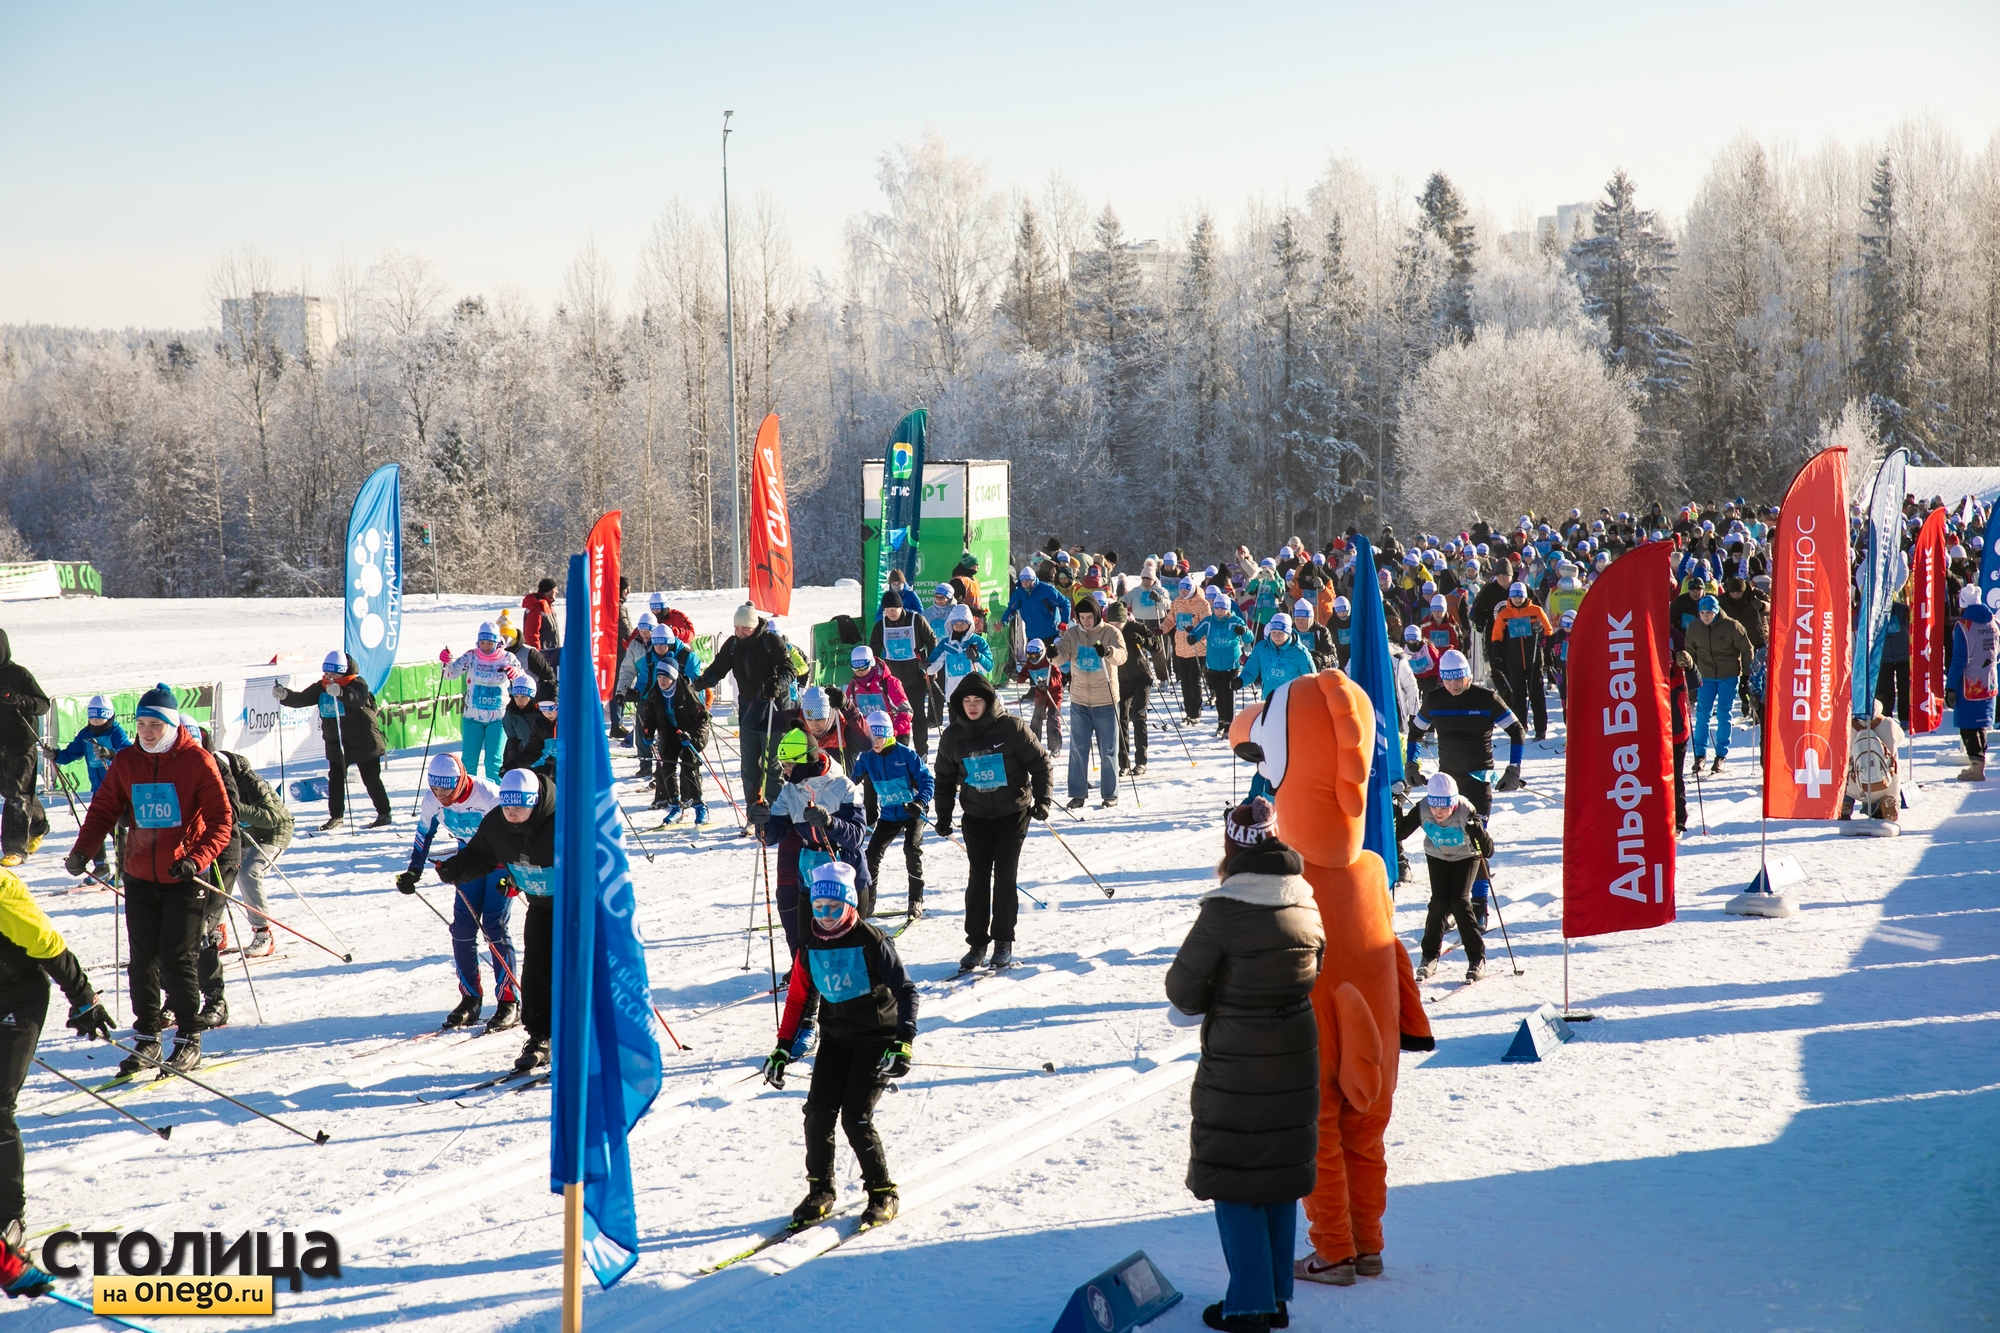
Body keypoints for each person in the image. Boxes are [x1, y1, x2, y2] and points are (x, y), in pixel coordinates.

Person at [1164, 798, 1322, 1333]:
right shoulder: (1304, 899)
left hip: (1239, 1059)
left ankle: (1248, 1305)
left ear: (1231, 846)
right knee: (1276, 1174)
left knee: (1235, 1178)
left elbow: (1183, 989)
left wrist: (1222, 995)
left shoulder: (1226, 909)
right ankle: (1275, 1297)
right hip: (1296, 1051)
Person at [63, 685, 233, 1076]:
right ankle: (147, 1037)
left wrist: (195, 859)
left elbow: (222, 823)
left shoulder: (197, 761)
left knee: (177, 958)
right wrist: (83, 850)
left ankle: (189, 1036)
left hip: (184, 877)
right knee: (141, 963)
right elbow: (104, 809)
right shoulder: (127, 761)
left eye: (155, 724)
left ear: (171, 725)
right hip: (139, 874)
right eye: (141, 723)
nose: (147, 731)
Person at [760, 861, 918, 1234]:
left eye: (833, 907)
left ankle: (882, 1192)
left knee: (855, 1117)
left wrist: (903, 1042)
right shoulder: (811, 945)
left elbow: (907, 991)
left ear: (849, 904)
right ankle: (820, 1191)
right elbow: (798, 998)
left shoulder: (873, 940)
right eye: (818, 908)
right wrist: (782, 1047)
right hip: (836, 1039)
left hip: (876, 1038)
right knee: (817, 1113)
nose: (826, 916)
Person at [0, 864, 113, 1279]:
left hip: (16, 995)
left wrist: (82, 997)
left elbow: (46, 943)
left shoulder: (1, 887)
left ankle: (8, 1217)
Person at [932, 674, 1052, 972]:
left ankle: (1002, 941)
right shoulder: (952, 737)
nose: (972, 706)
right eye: (966, 701)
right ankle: (977, 943)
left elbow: (1040, 764)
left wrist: (1043, 800)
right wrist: (943, 816)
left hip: (1012, 814)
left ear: (988, 702)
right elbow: (944, 780)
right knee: (978, 879)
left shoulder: (1011, 728)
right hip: (975, 817)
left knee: (1005, 877)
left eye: (978, 701)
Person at [436, 768, 551, 1073]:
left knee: (577, 968)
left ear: (534, 803)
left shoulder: (561, 821)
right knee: (537, 968)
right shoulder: (497, 823)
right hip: (541, 903)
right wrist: (456, 869)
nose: (512, 814)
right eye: (507, 807)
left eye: (519, 808)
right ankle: (541, 1036)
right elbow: (480, 856)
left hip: (579, 904)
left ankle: (597, 1033)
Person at [401, 753, 512, 1030]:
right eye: (434, 788)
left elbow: (513, 833)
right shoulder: (432, 800)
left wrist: (513, 873)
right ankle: (470, 998)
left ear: (461, 781)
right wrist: (414, 870)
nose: (440, 795)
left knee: (494, 926)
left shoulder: (488, 794)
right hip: (469, 858)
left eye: (446, 789)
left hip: (499, 860)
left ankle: (509, 1000)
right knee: (462, 929)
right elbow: (423, 834)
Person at [761, 728, 870, 956]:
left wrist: (830, 823)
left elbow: (857, 836)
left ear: (805, 761)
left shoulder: (844, 786)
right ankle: (808, 984)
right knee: (808, 942)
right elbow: (772, 836)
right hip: (809, 877)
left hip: (847, 876)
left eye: (789, 765)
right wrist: (761, 820)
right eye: (783, 765)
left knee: (849, 945)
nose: (785, 772)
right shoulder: (790, 791)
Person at [695, 604, 798, 822]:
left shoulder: (771, 642)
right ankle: (755, 814)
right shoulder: (733, 645)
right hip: (749, 710)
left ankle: (779, 814)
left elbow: (790, 670)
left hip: (774, 709)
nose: (740, 633)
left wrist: (777, 685)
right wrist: (704, 681)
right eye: (737, 628)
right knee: (750, 767)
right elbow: (718, 668)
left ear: (754, 626)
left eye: (745, 629)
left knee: (772, 766)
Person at [1396, 773, 1494, 982]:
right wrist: (1396, 807)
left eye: (1444, 807)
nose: (1438, 813)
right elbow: (1401, 833)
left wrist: (1477, 830)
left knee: (1459, 902)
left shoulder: (1466, 811)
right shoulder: (1423, 808)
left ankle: (1477, 958)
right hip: (1438, 855)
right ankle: (1429, 956)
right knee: (1439, 903)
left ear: (1454, 804)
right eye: (1435, 807)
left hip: (1465, 857)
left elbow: (1488, 850)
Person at [207, 734, 292, 960]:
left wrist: (237, 809)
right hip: (238, 835)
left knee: (248, 872)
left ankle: (264, 933)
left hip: (271, 833)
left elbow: (271, 818)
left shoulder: (249, 780)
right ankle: (216, 930)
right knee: (211, 871)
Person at [852, 710, 933, 920]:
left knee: (911, 848)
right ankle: (867, 902)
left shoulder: (905, 754)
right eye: (872, 737)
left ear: (890, 735)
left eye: (880, 737)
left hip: (913, 812)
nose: (876, 742)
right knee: (872, 854)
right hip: (889, 813)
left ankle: (915, 899)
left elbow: (927, 781)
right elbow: (850, 781)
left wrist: (920, 801)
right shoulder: (868, 757)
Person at [1054, 597, 1128, 810]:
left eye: (1089, 617)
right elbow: (1061, 654)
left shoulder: (1110, 633)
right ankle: (1077, 794)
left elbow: (1122, 656)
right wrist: (1052, 655)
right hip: (1079, 701)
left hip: (1105, 700)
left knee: (1108, 750)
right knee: (1078, 748)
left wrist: (1108, 652)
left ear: (1097, 615)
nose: (1086, 622)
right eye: (1082, 617)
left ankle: (1110, 794)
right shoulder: (1072, 633)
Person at [1684, 594, 1755, 775]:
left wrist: (1746, 675)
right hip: (1705, 676)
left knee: (1724, 713)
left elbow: (1747, 650)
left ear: (1716, 612)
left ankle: (1721, 754)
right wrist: (1689, 671)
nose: (1705, 616)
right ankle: (1700, 754)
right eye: (1702, 612)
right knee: (1702, 714)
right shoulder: (1694, 628)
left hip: (1728, 675)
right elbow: (1690, 652)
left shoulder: (1732, 626)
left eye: (1709, 612)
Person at [444, 625, 524, 783]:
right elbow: (449, 674)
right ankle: (466, 797)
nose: (486, 646)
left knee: (493, 762)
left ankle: (496, 800)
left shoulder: (508, 658)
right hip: (472, 718)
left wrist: (516, 673)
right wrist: (446, 661)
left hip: (498, 719)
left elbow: (523, 678)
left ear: (497, 642)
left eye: (489, 643)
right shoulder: (471, 656)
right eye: (482, 642)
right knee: (468, 761)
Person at [0, 632, 50, 869]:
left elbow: (43, 703)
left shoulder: (18, 673)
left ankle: (14, 849)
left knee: (17, 794)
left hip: (22, 743)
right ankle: (38, 824)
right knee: (11, 791)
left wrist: (19, 700)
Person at [868, 596, 938, 757]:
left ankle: (922, 751)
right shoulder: (881, 625)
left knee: (918, 715)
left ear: (901, 608)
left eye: (894, 610)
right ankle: (896, 751)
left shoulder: (917, 620)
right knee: (895, 717)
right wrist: (874, 672)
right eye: (887, 611)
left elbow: (931, 640)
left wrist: (931, 663)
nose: (891, 614)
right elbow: (873, 650)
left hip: (915, 676)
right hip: (891, 681)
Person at [643, 659, 710, 823]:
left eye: (666, 677)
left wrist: (692, 736)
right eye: (659, 677)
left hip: (690, 732)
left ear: (673, 677)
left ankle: (700, 806)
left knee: (688, 766)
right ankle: (675, 806)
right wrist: (647, 732)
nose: (662, 680)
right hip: (669, 733)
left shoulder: (686, 691)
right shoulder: (655, 693)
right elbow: (650, 716)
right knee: (667, 766)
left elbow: (703, 718)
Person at [1488, 582, 1553, 742]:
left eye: (1520, 596)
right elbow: (1496, 636)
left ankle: (1540, 729)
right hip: (1514, 661)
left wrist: (1541, 632)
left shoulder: (1536, 611)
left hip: (1534, 660)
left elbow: (1549, 631)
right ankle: (1519, 728)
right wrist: (1497, 656)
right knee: (1518, 696)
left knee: (1536, 695)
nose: (1517, 599)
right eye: (1514, 596)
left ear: (1525, 596)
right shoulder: (1504, 614)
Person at [1946, 584, 1996, 780]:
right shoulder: (1993, 621)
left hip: (1970, 683)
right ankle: (1980, 763)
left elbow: (1959, 659)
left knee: (1967, 724)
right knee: (1981, 724)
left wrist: (1950, 686)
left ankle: (1976, 768)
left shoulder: (1964, 627)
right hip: (1989, 680)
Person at [1189, 594, 1254, 734]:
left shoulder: (1234, 621)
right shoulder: (1209, 621)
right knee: (1218, 693)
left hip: (1230, 663)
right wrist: (1192, 637)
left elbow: (1250, 637)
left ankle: (1229, 723)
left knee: (1228, 693)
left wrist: (1243, 631)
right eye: (1217, 607)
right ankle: (1221, 721)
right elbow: (1197, 631)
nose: (1219, 611)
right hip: (1213, 664)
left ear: (1228, 609)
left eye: (1222, 608)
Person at [1108, 604, 1159, 777]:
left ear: (1124, 620)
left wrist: (1144, 641)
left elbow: (1157, 646)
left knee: (1138, 716)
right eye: (1111, 623)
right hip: (1121, 681)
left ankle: (1141, 761)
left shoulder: (1136, 628)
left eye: (1118, 624)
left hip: (1141, 678)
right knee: (1120, 719)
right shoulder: (1107, 632)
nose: (1115, 627)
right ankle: (1123, 762)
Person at [1841, 702, 1906, 827]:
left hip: (1857, 784)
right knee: (1893, 761)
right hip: (1886, 782)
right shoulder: (1889, 723)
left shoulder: (1847, 726)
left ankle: (1846, 803)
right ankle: (1886, 806)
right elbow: (1901, 738)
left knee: (1845, 768)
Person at [846, 646, 914, 747]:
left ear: (872, 663)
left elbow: (906, 711)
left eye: (863, 666)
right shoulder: (853, 686)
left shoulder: (890, 683)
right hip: (870, 735)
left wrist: (893, 731)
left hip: (895, 735)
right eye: (855, 667)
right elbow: (848, 712)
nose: (859, 670)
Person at [925, 605, 993, 706]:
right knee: (955, 722)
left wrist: (977, 657)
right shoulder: (945, 644)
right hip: (953, 693)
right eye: (956, 623)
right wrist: (925, 665)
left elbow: (988, 667)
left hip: (974, 693)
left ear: (969, 624)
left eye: (963, 623)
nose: (959, 626)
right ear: (950, 625)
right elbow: (932, 667)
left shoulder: (978, 642)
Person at [1000, 568, 1071, 662]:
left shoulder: (1046, 590)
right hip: (1032, 635)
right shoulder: (1019, 593)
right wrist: (1003, 622)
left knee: (1054, 662)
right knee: (1035, 665)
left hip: (1051, 633)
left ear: (1033, 580)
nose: (1025, 584)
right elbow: (1011, 609)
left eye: (1028, 581)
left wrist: (1064, 622)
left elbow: (1065, 603)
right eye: (1023, 581)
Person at [1011, 638, 1064, 757]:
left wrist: (1048, 682)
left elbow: (1059, 678)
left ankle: (1055, 746)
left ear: (1041, 653)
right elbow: (1023, 676)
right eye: (1030, 656)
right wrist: (1015, 676)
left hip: (1054, 694)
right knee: (1036, 719)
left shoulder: (1049, 660)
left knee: (1053, 719)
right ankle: (1033, 744)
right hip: (1040, 694)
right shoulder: (1030, 663)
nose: (1033, 658)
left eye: (1035, 655)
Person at [501, 675, 555, 776]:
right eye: (516, 696)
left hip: (547, 757)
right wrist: (512, 764)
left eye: (523, 697)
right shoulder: (510, 713)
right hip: (525, 755)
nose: (519, 701)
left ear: (532, 696)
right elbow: (512, 742)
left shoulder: (543, 712)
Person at [520, 576, 561, 665]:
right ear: (548, 590)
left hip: (551, 653)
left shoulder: (549, 605)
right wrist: (536, 655)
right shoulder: (537, 606)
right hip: (543, 655)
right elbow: (531, 633)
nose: (557, 591)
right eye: (555, 589)